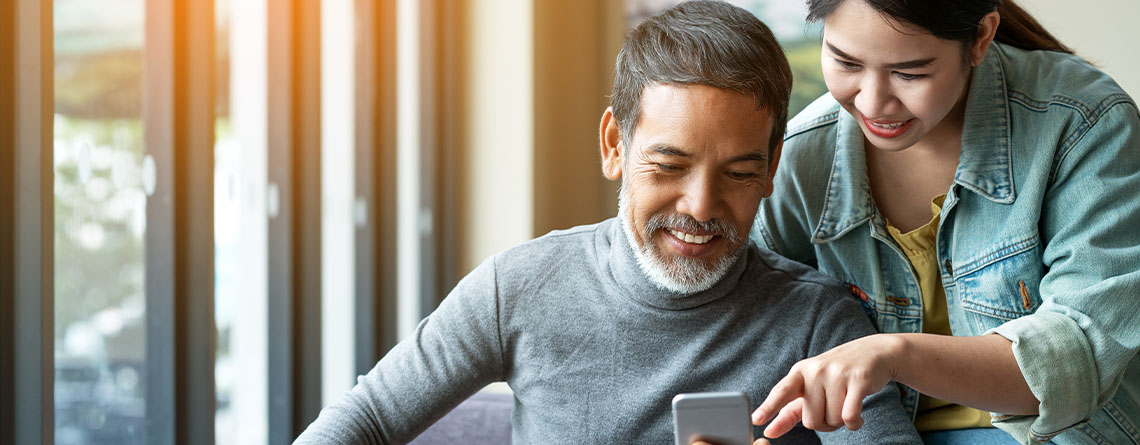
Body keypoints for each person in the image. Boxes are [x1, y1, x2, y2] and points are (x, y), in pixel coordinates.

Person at [294, 2, 921, 444]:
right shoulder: (519, 287)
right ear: (614, 145)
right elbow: (370, 418)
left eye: (736, 173)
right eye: (669, 165)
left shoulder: (819, 323)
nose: (700, 207)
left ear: (772, 168)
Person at [750, 0, 1140, 443]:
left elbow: (1080, 354)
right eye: (845, 62)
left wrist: (893, 355)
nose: (873, 102)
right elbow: (750, 323)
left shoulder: (1081, 122)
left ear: (980, 38)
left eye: (910, 73)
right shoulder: (802, 161)